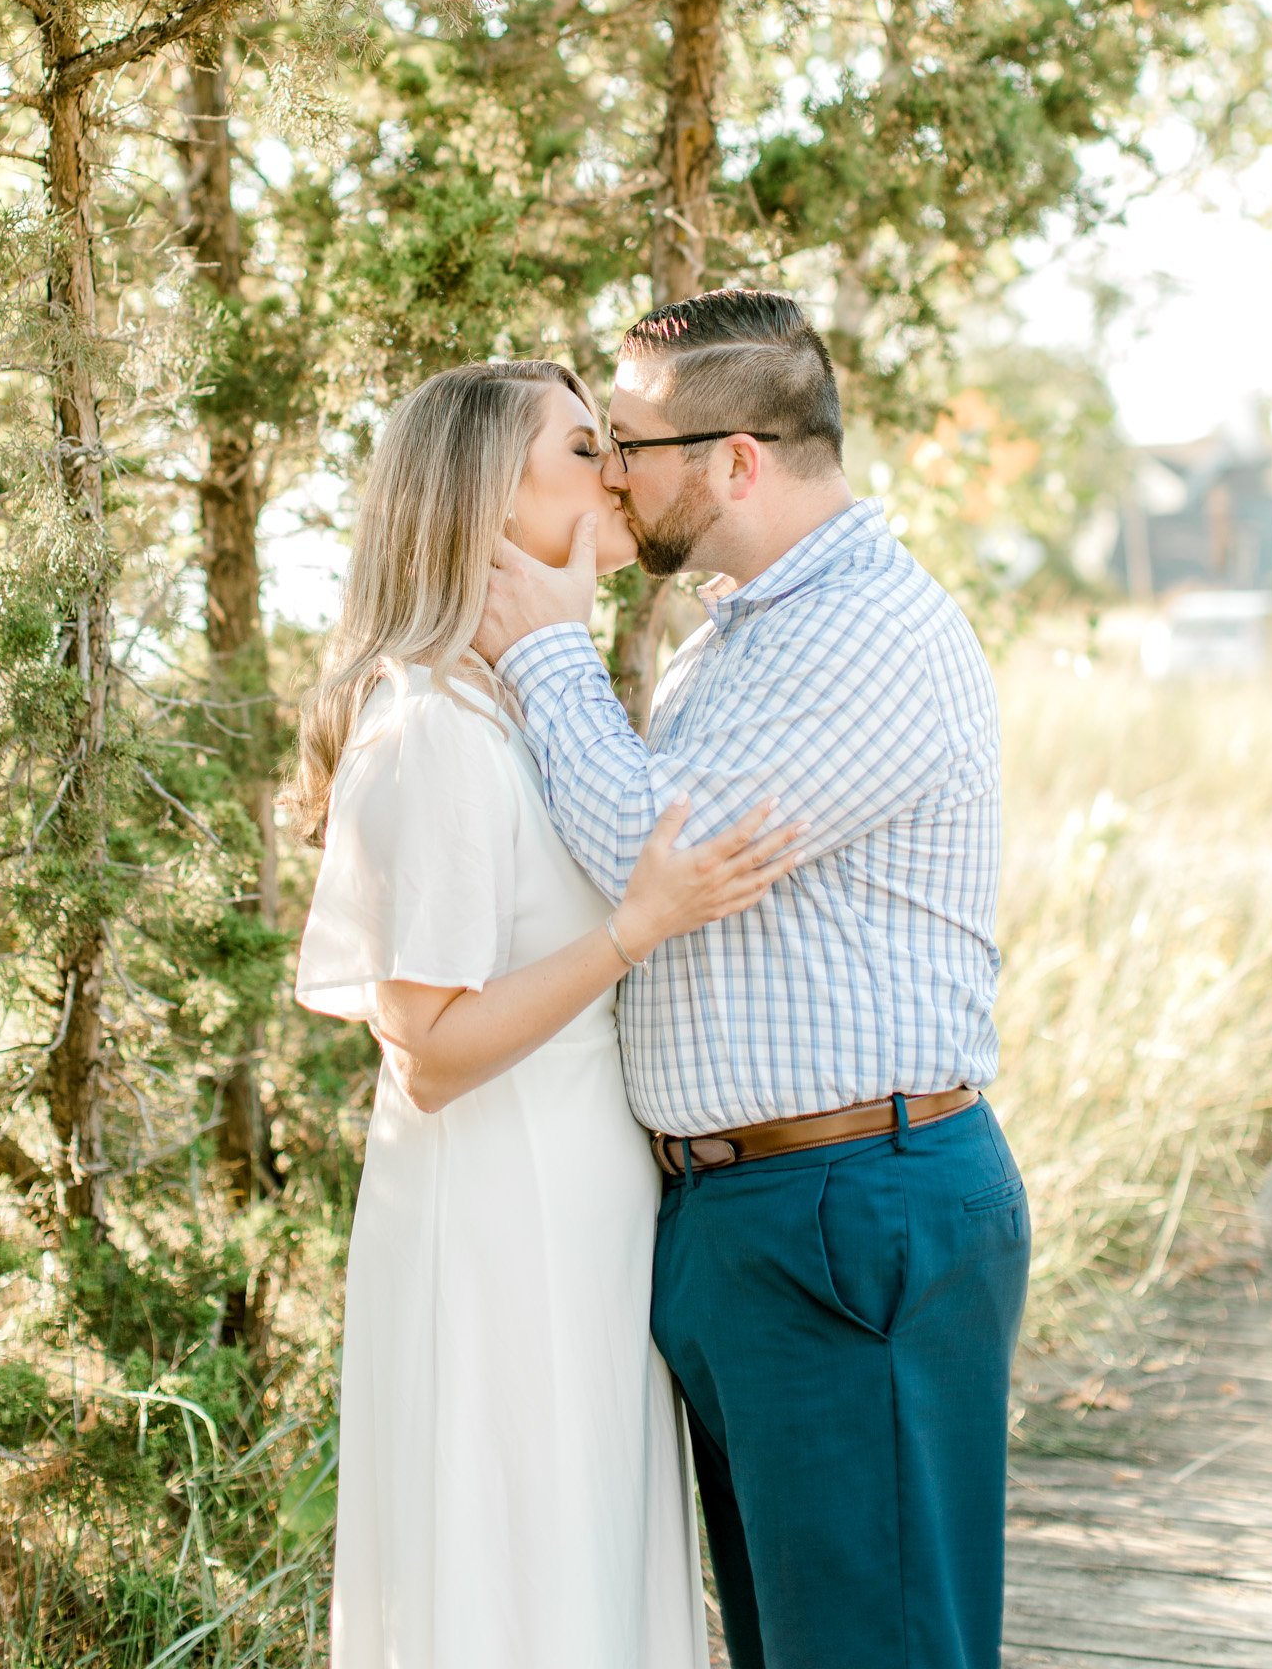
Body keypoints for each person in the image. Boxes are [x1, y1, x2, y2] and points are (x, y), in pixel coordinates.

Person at [476, 291, 1032, 1669]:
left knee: (871, 1647)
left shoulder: (866, 633)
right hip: (752, 1213)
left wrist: (543, 640)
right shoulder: (744, 633)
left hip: (849, 1209)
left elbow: (643, 855)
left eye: (631, 440)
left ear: (735, 460)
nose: (610, 469)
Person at [286, 358, 804, 1669]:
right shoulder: (433, 732)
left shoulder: (520, 714)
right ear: (479, 499)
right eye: (581, 449)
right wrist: (638, 926)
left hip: (584, 1208)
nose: (615, 470)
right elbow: (430, 1050)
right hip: (496, 1219)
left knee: (583, 1562)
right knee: (511, 1572)